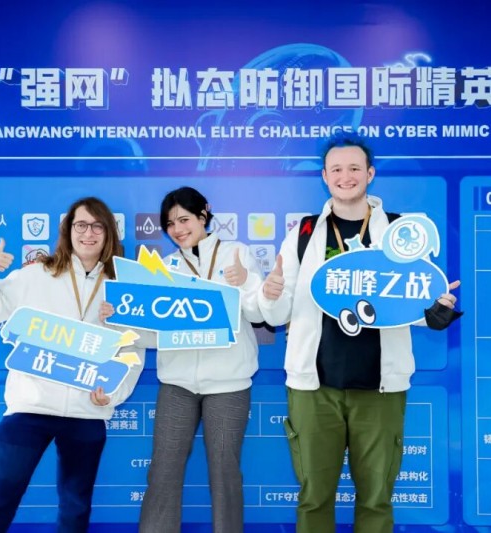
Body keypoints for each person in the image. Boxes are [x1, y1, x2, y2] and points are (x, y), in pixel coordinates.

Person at [258, 133, 461, 533]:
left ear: (370, 174)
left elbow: (413, 303)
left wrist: (437, 312)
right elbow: (280, 312)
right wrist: (271, 293)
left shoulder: (400, 231)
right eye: (336, 169)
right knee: (314, 497)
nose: (345, 176)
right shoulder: (304, 232)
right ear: (324, 176)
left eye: (354, 168)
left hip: (380, 388)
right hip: (314, 387)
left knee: (376, 498)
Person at [0, 197, 144, 533]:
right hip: (30, 408)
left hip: (87, 411)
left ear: (109, 233)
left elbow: (134, 349)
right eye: (81, 225)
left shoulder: (123, 286)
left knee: (76, 508)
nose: (88, 233)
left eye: (97, 226)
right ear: (68, 230)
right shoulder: (38, 274)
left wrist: (113, 393)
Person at [102, 186, 264, 533]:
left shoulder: (236, 254)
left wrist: (247, 282)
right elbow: (154, 336)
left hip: (228, 384)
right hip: (177, 384)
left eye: (184, 219)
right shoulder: (165, 268)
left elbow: (259, 313)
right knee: (163, 470)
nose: (177, 229)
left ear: (204, 215)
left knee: (225, 472)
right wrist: (120, 320)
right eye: (170, 223)